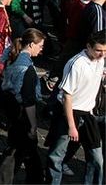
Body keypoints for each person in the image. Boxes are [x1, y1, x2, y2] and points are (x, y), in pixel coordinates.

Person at [45, 30, 106, 185]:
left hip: (88, 113)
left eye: (105, 51)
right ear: (89, 47)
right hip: (69, 112)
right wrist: (72, 125)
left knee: (96, 157)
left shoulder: (99, 61)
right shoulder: (77, 64)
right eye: (98, 50)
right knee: (57, 155)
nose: (102, 54)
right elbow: (67, 96)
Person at [0, 28, 46, 184]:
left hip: (12, 108)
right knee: (17, 149)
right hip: (21, 113)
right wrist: (33, 125)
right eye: (40, 45)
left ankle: (35, 178)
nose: (41, 49)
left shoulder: (13, 57)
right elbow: (28, 100)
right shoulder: (27, 68)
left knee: (27, 148)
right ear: (31, 44)